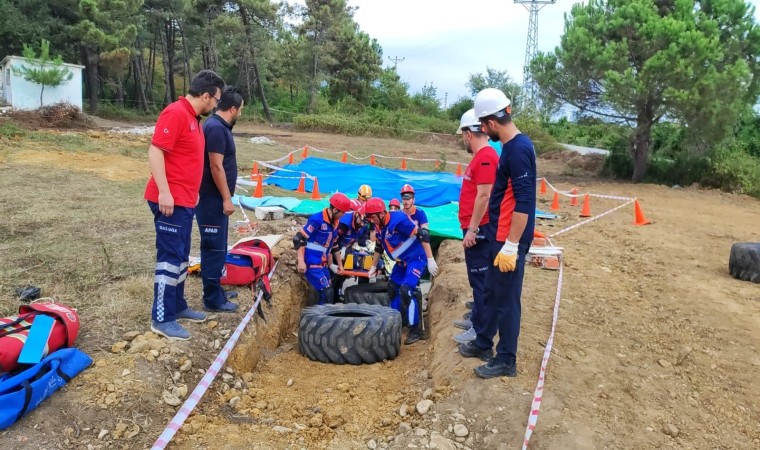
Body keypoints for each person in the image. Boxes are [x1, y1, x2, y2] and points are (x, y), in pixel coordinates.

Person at [458, 88, 536, 378]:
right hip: (498, 233)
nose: (481, 129)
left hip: (508, 237)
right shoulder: (512, 147)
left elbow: (525, 200)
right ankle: (482, 343)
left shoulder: (517, 150)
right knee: (491, 291)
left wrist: (512, 244)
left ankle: (506, 360)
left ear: (491, 122)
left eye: (482, 124)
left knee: (506, 300)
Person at [144, 70, 226, 340]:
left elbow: (186, 160)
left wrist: (193, 192)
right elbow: (156, 151)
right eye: (215, 100)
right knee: (169, 259)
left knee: (180, 257)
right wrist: (165, 192)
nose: (216, 106)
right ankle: (162, 318)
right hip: (169, 201)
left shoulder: (193, 120)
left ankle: (177, 306)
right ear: (205, 95)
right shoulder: (175, 113)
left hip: (185, 201)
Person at [363, 198, 439, 345]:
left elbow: (422, 234)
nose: (371, 220)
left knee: (407, 290)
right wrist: (373, 266)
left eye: (373, 216)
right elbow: (379, 246)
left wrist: (430, 259)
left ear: (382, 213)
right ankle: (395, 321)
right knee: (392, 288)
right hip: (401, 262)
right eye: (369, 217)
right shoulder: (378, 225)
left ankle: (415, 329)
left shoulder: (398, 220)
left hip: (416, 258)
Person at [452, 109, 499, 344]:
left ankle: (480, 330)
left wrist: (473, 229)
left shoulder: (485, 157)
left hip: (479, 230)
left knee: (481, 279)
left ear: (469, 133)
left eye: (463, 135)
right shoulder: (481, 157)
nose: (463, 140)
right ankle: (477, 318)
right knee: (476, 277)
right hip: (474, 227)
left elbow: (484, 195)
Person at [196, 87, 244, 313]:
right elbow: (216, 166)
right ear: (232, 109)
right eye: (240, 110)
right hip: (211, 199)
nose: (240, 115)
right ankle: (212, 299)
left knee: (220, 247)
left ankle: (216, 289)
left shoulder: (221, 127)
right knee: (213, 247)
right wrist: (226, 198)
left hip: (217, 199)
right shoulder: (215, 128)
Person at [294, 193, 352, 304]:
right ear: (335, 210)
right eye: (343, 212)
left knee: (329, 291)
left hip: (323, 264)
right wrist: (301, 261)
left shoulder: (335, 223)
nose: (344, 215)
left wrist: (338, 265)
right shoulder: (317, 219)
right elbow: (298, 239)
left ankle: (323, 316)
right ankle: (321, 319)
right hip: (312, 263)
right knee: (327, 292)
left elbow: (333, 246)